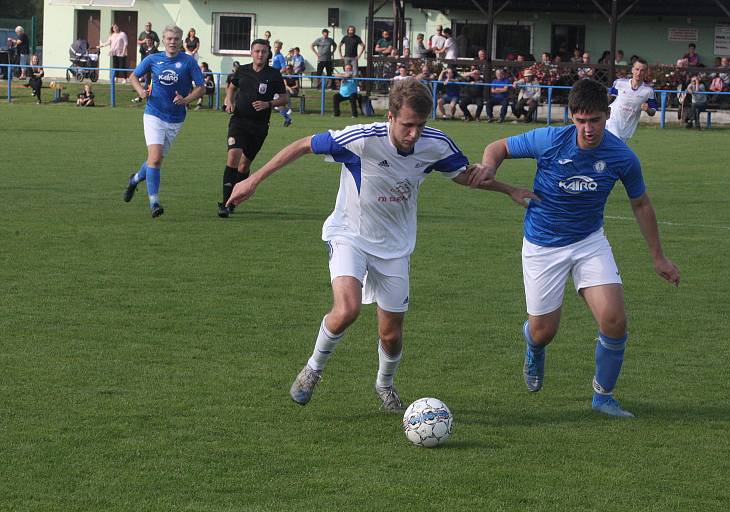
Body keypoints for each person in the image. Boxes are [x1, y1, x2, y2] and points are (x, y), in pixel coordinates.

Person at [225, 78, 531, 412]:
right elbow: (302, 144)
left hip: (395, 246)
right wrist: (253, 180)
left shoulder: (435, 144)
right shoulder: (362, 139)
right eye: (407, 126)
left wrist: (509, 189)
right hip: (350, 236)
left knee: (391, 334)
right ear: (391, 117)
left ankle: (384, 385)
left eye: (420, 126)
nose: (414, 134)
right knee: (347, 310)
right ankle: (313, 369)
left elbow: (463, 175)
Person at [471, 78, 680, 418]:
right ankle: (533, 343)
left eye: (595, 120)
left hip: (589, 242)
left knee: (614, 320)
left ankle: (603, 397)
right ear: (571, 117)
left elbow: (640, 203)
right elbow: (498, 147)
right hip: (543, 245)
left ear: (606, 114)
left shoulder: (622, 156)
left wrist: (658, 256)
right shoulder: (550, 139)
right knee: (544, 332)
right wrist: (490, 169)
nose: (588, 129)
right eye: (581, 120)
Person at [122, 24, 205, 218]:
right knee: (156, 157)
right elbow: (133, 76)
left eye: (176, 39)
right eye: (169, 38)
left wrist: (186, 100)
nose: (172, 42)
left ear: (181, 41)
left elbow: (200, 87)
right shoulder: (153, 59)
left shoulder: (188, 62)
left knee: (154, 160)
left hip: (176, 118)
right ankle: (154, 203)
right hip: (154, 114)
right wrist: (141, 90)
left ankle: (134, 180)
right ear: (163, 40)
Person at [216, 39, 288, 218]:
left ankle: (233, 201)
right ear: (251, 52)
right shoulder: (242, 70)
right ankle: (225, 203)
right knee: (233, 156)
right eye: (257, 51)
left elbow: (285, 98)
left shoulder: (273, 74)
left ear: (268, 54)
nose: (260, 54)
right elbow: (231, 87)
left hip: (259, 126)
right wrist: (228, 100)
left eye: (263, 52)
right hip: (239, 120)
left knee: (244, 165)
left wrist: (268, 103)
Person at [606, 59, 658, 142]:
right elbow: (609, 98)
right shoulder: (619, 83)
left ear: (645, 73)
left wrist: (648, 109)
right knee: (613, 144)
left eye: (642, 70)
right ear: (632, 70)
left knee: (616, 151)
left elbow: (653, 112)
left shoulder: (648, 91)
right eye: (637, 69)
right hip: (612, 121)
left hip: (627, 129)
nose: (639, 73)